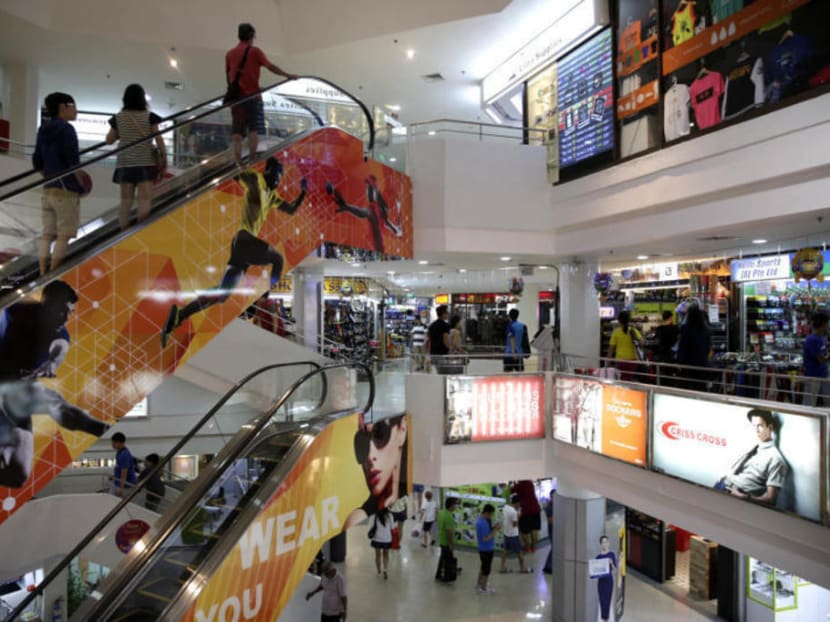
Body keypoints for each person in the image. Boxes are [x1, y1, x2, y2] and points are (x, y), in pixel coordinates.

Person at [161, 157, 307, 347]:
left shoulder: (272, 195)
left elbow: (292, 209)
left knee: (222, 295)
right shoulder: (256, 179)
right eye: (278, 175)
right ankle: (264, 297)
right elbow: (235, 172)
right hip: (244, 239)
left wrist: (303, 192)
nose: (279, 181)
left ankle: (180, 315)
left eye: (281, 177)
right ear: (270, 171)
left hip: (241, 248)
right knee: (278, 259)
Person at [0, 280, 108, 487]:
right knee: (51, 401)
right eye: (63, 311)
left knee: (18, 475)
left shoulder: (60, 334)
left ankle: (93, 425)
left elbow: (59, 350)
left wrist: (51, 363)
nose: (67, 318)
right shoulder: (21, 310)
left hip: (18, 391)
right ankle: (94, 426)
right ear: (47, 303)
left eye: (71, 312)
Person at [32, 92, 87, 275]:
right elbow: (73, 163)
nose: (76, 110)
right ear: (64, 107)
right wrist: (80, 186)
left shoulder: (43, 129)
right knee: (65, 234)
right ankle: (52, 273)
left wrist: (50, 177)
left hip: (48, 189)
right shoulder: (67, 130)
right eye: (73, 105)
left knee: (47, 233)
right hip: (66, 189)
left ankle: (41, 271)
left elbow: (37, 162)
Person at [226, 23, 297, 163]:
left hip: (237, 99)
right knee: (253, 130)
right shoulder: (255, 51)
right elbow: (270, 67)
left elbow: (229, 76)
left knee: (237, 132)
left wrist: (233, 92)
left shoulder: (230, 54)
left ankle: (238, 163)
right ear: (252, 36)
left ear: (238, 36)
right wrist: (287, 75)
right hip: (253, 97)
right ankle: (252, 159)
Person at [105, 83, 167, 230]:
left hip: (125, 164)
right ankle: (140, 233)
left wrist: (124, 133)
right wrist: (164, 159)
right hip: (145, 163)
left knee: (126, 202)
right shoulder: (150, 117)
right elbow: (159, 139)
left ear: (125, 99)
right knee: (144, 200)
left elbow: (109, 140)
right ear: (142, 99)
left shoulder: (118, 118)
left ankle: (123, 234)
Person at [344, 413, 408, 529]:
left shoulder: (408, 489)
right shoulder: (358, 519)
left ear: (402, 430)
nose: (370, 456)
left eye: (379, 434)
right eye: (362, 443)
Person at [715, 409, 787, 506]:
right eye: (754, 426)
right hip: (722, 486)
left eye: (760, 426)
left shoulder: (776, 459)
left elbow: (770, 500)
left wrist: (745, 498)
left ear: (770, 427)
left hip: (738, 497)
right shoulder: (752, 447)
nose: (756, 430)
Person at [325, 176, 402, 253]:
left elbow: (362, 213)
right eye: (367, 188)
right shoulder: (378, 208)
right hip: (375, 248)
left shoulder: (375, 209)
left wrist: (347, 207)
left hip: (375, 248)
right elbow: (364, 213)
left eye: (369, 189)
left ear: (374, 191)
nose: (367, 191)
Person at [677, 305, 711, 391]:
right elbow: (708, 348)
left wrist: (680, 362)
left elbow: (682, 348)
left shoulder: (686, 329)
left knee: (689, 389)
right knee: (700, 388)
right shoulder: (706, 330)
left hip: (689, 366)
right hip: (702, 365)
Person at [802, 311, 829, 406]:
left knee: (827, 400)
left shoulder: (821, 338)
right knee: (809, 402)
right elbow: (821, 359)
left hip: (823, 374)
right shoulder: (812, 340)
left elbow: (823, 355)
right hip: (813, 376)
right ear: (823, 324)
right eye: (827, 323)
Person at [607, 310, 643, 381]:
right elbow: (642, 343)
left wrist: (608, 361)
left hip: (620, 361)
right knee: (629, 379)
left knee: (621, 380)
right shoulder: (634, 330)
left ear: (619, 320)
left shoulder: (616, 332)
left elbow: (611, 349)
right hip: (632, 360)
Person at [500, 494, 529, 573]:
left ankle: (502, 567)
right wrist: (519, 515)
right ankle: (522, 568)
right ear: (516, 503)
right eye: (519, 504)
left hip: (506, 533)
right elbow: (515, 525)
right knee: (519, 552)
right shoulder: (513, 512)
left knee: (505, 551)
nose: (519, 505)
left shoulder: (506, 507)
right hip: (513, 535)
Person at [475, 504, 499, 594]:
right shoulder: (483, 523)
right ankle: (484, 588)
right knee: (486, 569)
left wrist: (493, 528)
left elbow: (488, 532)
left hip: (483, 548)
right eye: (491, 514)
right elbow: (486, 538)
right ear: (487, 513)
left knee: (483, 566)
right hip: (486, 549)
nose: (491, 516)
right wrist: (495, 530)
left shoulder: (481, 520)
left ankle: (479, 583)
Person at [513, 479, 542, 553]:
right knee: (534, 529)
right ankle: (533, 548)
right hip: (535, 509)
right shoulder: (530, 483)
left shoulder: (518, 485)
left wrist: (513, 483)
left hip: (525, 511)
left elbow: (510, 491)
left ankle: (527, 548)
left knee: (524, 531)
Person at [435, 496, 459, 582]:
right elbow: (449, 532)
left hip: (441, 539)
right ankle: (446, 575)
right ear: (451, 505)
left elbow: (438, 521)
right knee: (447, 559)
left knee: (443, 558)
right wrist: (451, 544)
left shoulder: (442, 512)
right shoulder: (449, 517)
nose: (456, 506)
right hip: (446, 542)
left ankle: (439, 574)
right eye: (455, 505)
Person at [595, 535, 618, 622]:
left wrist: (611, 563)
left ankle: (607, 619)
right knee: (602, 601)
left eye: (606, 542)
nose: (605, 544)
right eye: (603, 542)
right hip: (601, 582)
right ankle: (602, 619)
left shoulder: (611, 554)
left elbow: (615, 570)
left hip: (609, 582)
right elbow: (595, 573)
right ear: (600, 544)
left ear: (608, 543)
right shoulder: (598, 557)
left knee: (608, 601)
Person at [110, 432, 137, 498]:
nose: (112, 445)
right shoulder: (119, 452)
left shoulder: (124, 455)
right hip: (117, 482)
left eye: (114, 443)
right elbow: (119, 467)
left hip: (125, 486)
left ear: (120, 443)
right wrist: (114, 476)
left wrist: (121, 488)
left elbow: (124, 472)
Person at [369, 508, 393, 579]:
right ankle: (385, 570)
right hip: (387, 539)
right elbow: (392, 527)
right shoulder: (389, 515)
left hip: (377, 539)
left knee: (377, 555)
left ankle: (379, 570)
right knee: (386, 554)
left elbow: (371, 527)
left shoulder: (374, 515)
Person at [427, 305, 451, 373]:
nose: (448, 314)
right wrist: (450, 349)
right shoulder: (445, 325)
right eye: (447, 313)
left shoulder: (432, 325)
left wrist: (428, 353)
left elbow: (429, 340)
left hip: (433, 352)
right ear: (443, 314)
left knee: (437, 371)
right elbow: (445, 340)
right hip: (443, 353)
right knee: (444, 372)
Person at [542, 496, 553, 574]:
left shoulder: (554, 506)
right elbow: (550, 521)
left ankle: (549, 566)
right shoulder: (549, 508)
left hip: (555, 530)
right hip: (553, 530)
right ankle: (548, 566)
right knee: (554, 548)